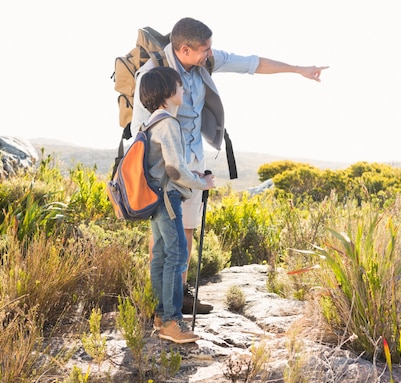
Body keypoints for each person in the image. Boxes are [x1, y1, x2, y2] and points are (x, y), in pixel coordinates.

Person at [132, 17, 328, 315]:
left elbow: (251, 63)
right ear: (184, 49)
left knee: (186, 231)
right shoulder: (153, 73)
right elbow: (139, 127)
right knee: (162, 237)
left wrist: (299, 70)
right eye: (204, 50)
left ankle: (181, 295)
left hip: (194, 162)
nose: (210, 54)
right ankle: (161, 301)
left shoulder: (204, 60)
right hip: (165, 167)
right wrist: (148, 176)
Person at [139, 66, 215, 344]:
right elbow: (174, 170)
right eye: (180, 86)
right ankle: (171, 322)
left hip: (156, 200)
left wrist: (193, 176)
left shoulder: (150, 122)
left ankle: (161, 316)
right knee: (177, 256)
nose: (183, 90)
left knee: (161, 256)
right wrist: (202, 184)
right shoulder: (169, 124)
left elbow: (167, 166)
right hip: (168, 199)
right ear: (168, 92)